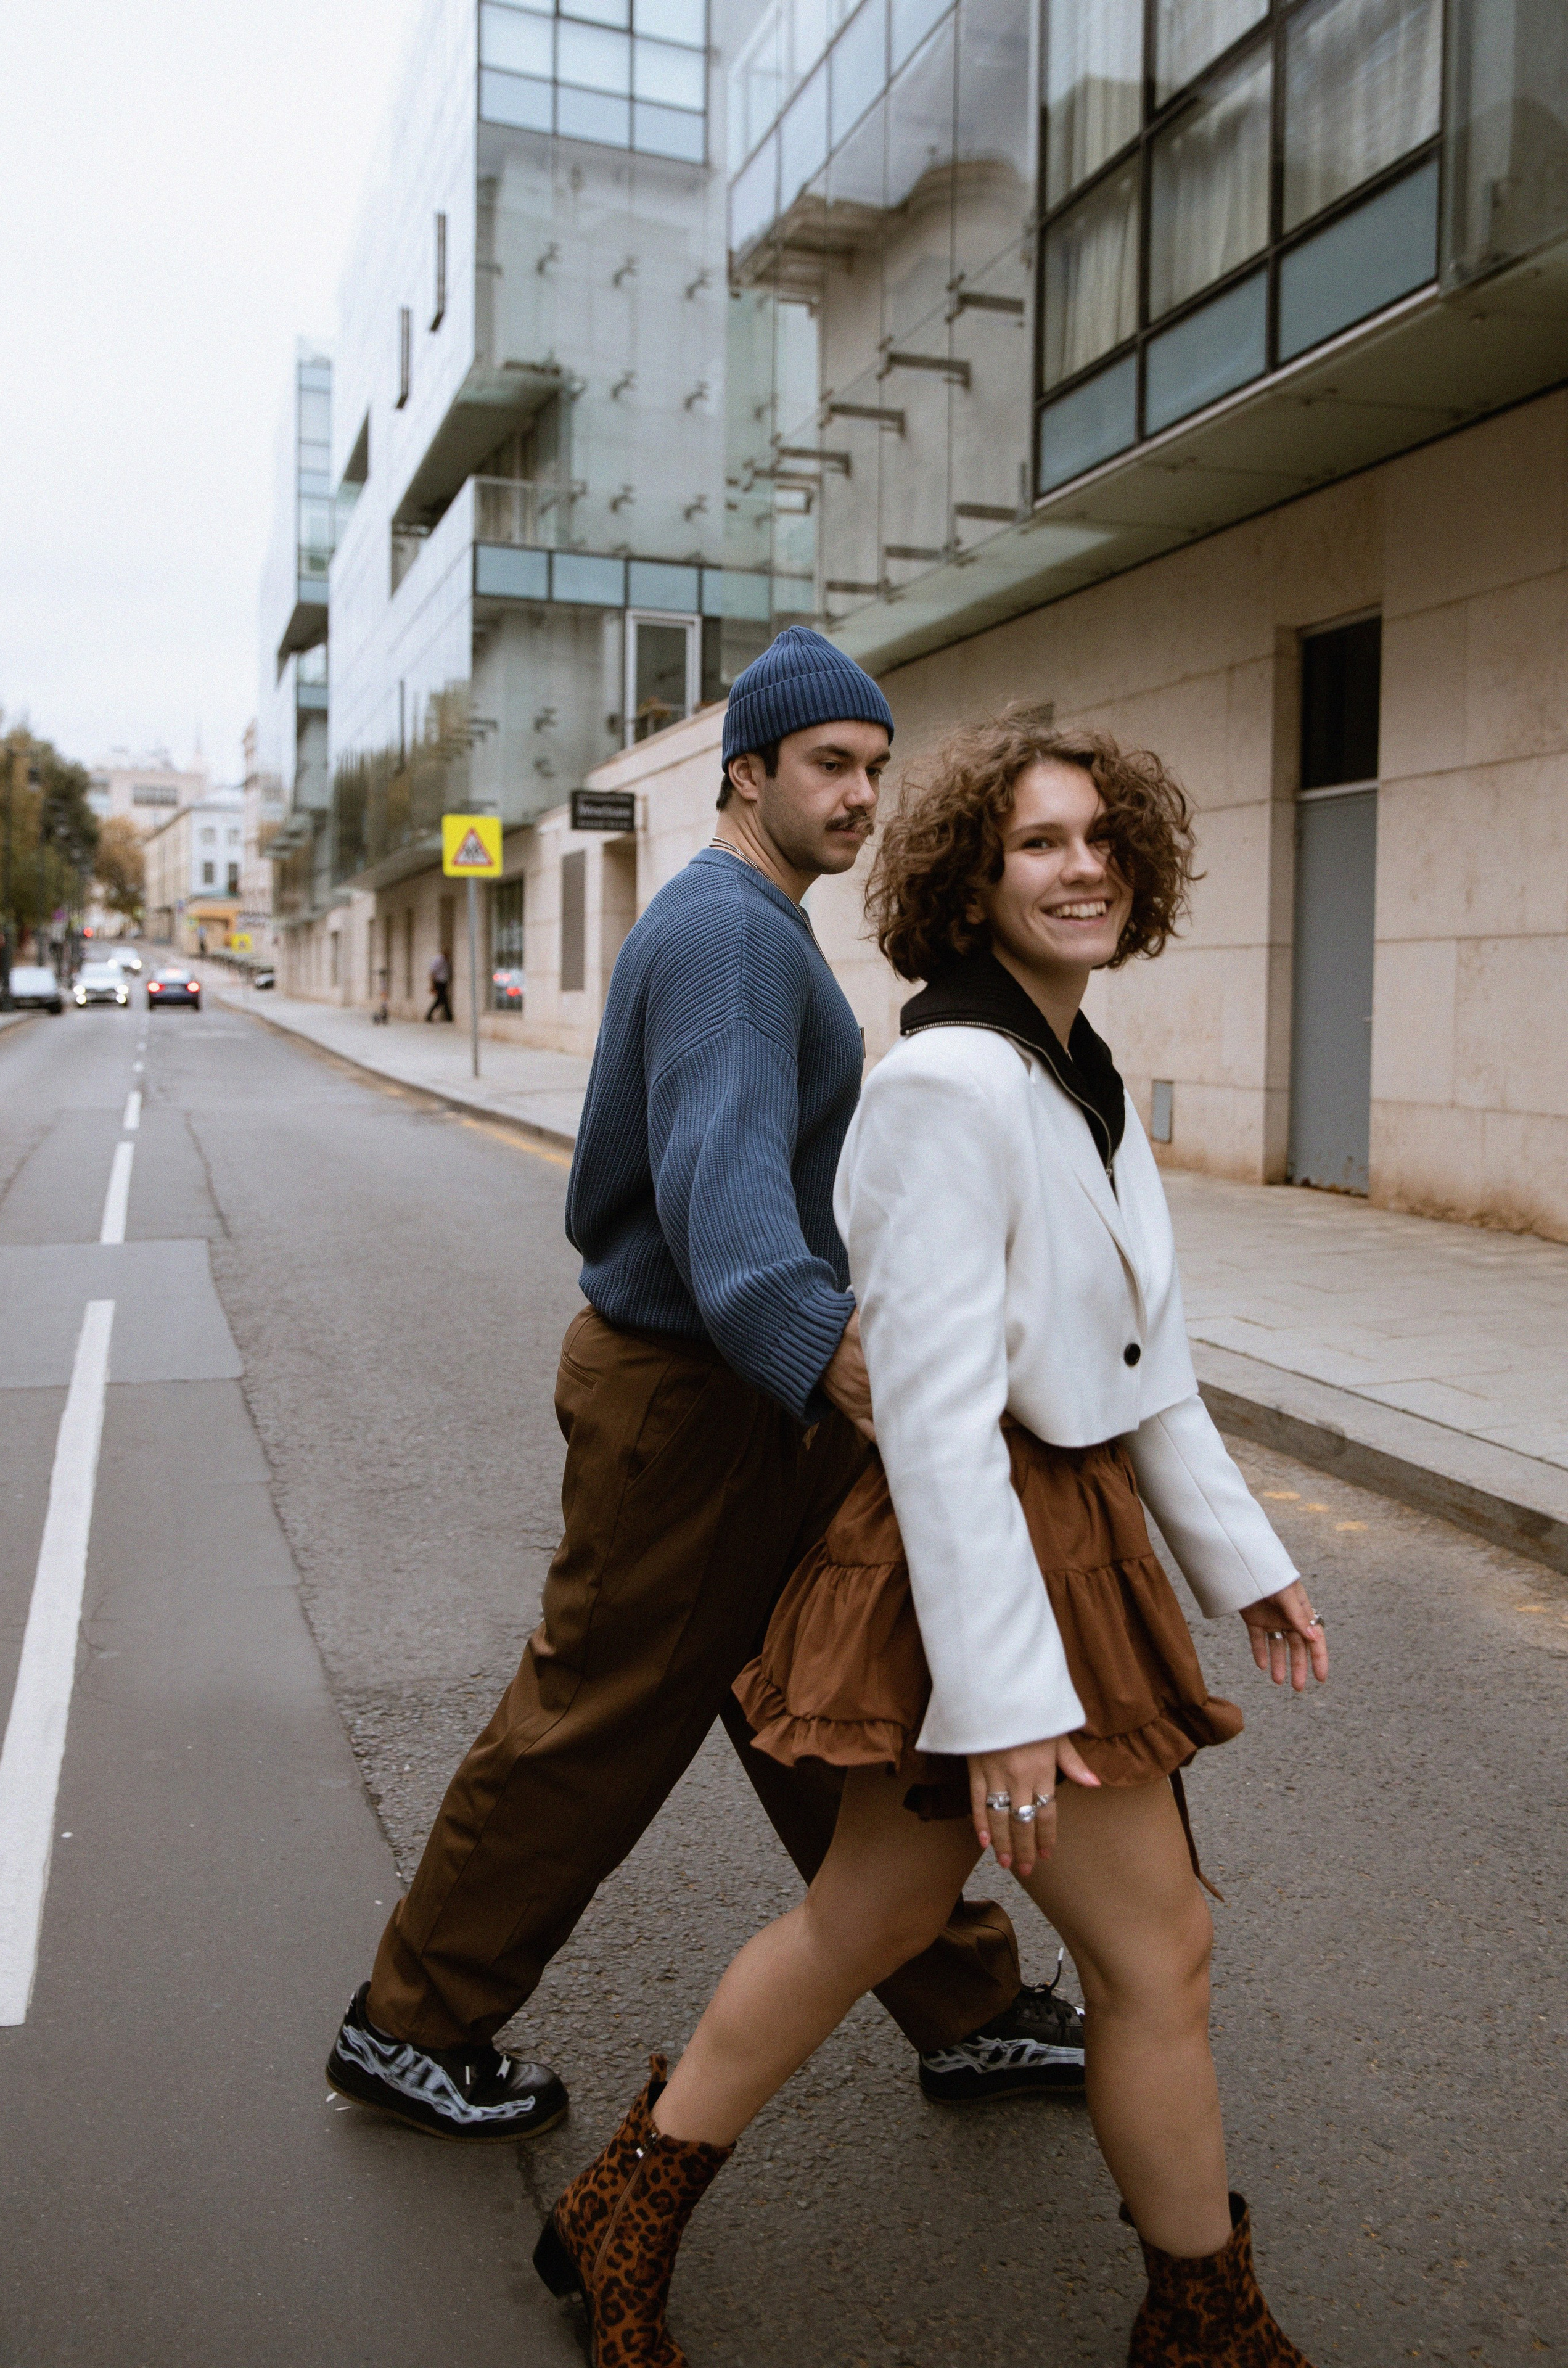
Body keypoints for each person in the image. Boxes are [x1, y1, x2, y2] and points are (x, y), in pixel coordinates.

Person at [534, 708, 1329, 2366]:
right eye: (1040, 841)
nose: (1082, 867)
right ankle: (1206, 2322)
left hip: (1071, 1537)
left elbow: (1145, 1362)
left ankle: (627, 2201)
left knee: (872, 1921)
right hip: (985, 1567)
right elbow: (942, 1424)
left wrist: (1246, 1557)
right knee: (1153, 1945)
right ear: (972, 882)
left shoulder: (1077, 1072)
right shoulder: (950, 1090)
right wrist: (1004, 1702)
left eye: (1104, 840)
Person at [327, 633, 1086, 2147]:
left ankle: (962, 2003)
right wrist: (865, 1378)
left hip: (736, 1393)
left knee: (842, 1703)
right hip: (700, 1395)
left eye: (876, 766)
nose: (862, 792)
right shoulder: (733, 933)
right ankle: (408, 2021)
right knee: (593, 1714)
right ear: (747, 770)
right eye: (829, 764)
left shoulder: (748, 921)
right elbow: (728, 1221)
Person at [425, 945, 453, 1022]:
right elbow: (432, 972)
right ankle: (449, 1016)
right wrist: (433, 985)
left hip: (444, 983)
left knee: (442, 1000)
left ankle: (430, 1016)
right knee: (442, 1000)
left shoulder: (447, 961)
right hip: (439, 983)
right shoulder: (438, 960)